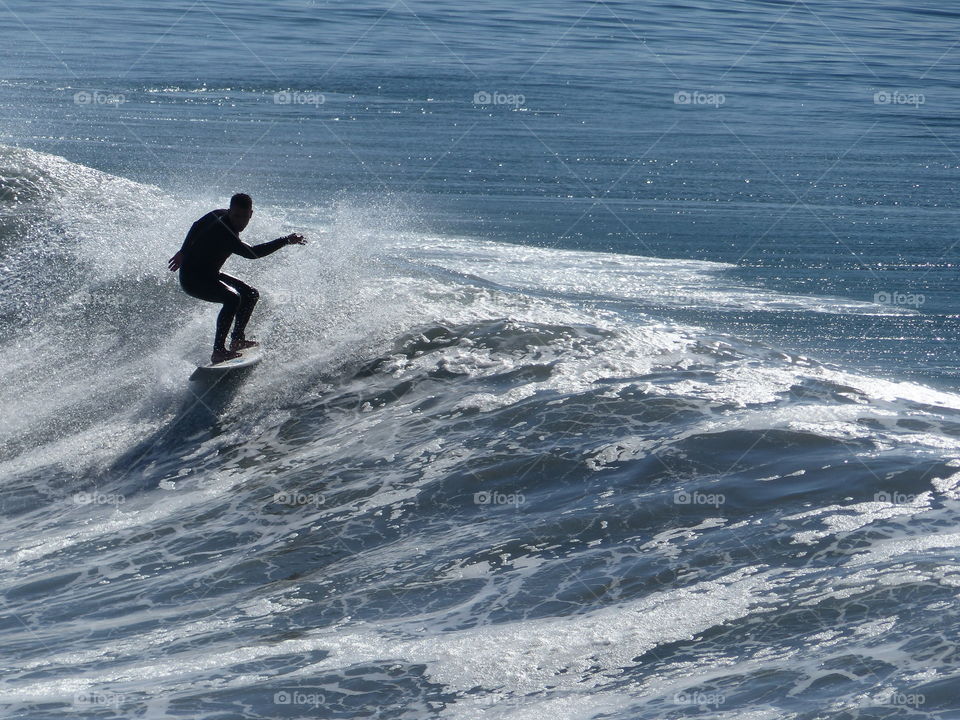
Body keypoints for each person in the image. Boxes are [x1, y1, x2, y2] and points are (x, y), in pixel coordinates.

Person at [168, 193, 306, 364]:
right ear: (229, 211)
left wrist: (183, 251)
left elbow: (197, 225)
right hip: (193, 279)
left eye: (244, 217)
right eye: (235, 216)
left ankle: (237, 340)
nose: (239, 222)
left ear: (251, 214)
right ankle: (218, 351)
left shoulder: (218, 214)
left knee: (250, 294)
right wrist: (285, 240)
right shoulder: (223, 231)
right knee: (232, 298)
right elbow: (253, 253)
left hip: (210, 274)